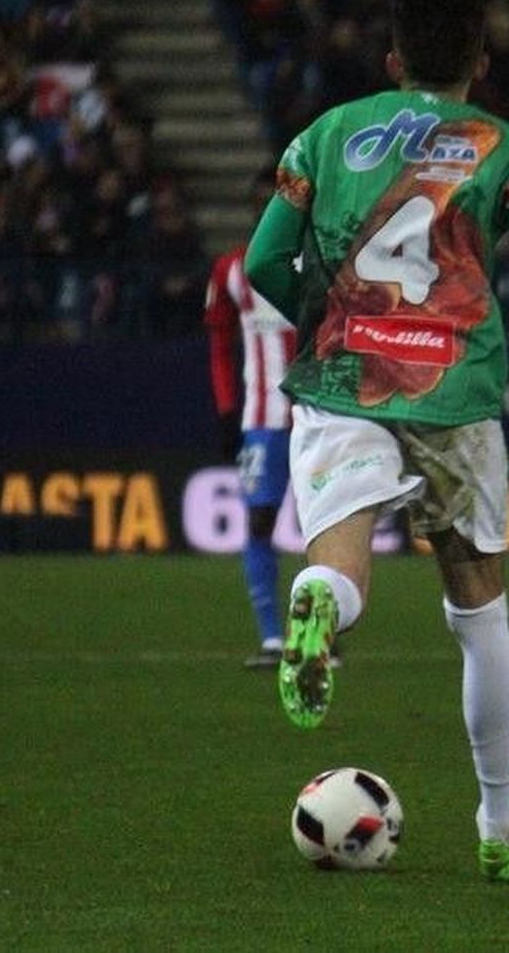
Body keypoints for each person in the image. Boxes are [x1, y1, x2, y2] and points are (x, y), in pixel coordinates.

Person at [244, 0, 509, 881]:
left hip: (342, 375)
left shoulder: (325, 133)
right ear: (480, 62)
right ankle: (493, 823)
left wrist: (324, 317)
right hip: (452, 388)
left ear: (393, 61)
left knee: (338, 559)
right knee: (480, 610)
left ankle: (324, 606)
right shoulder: (507, 149)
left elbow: (261, 260)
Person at [205, 168, 297, 669]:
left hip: (318, 417)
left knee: (328, 525)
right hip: (262, 419)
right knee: (260, 520)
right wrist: (225, 410)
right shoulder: (230, 271)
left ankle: (318, 639)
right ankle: (271, 639)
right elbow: (219, 344)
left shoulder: (319, 263)